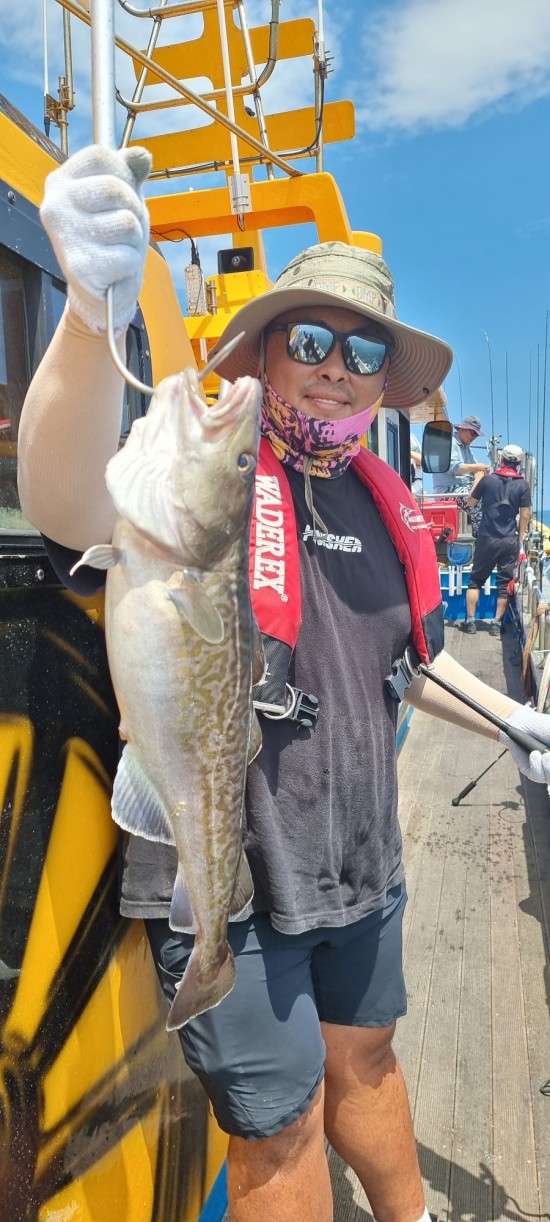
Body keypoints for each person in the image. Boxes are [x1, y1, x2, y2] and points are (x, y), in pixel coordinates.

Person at [17, 146, 550, 1222]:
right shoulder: (203, 467)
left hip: (361, 860)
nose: (336, 366)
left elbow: (408, 662)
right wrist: (84, 318)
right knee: (280, 1128)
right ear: (263, 350)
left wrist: (513, 718)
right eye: (310, 339)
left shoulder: (380, 499)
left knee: (367, 1061)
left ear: (384, 381)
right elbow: (66, 500)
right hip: (232, 875)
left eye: (363, 350)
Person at [463, 443, 531, 637]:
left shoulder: (488, 480)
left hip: (487, 538)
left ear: (501, 460)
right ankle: (496, 623)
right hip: (509, 540)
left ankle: (470, 622)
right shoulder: (523, 485)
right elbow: (525, 514)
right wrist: (521, 535)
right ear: (519, 463)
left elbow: (470, 502)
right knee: (504, 584)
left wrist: (478, 479)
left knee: (475, 581)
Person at [431, 415, 490, 495]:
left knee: (492, 492)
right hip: (447, 490)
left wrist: (483, 470)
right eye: (473, 433)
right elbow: (453, 467)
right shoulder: (448, 443)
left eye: (476, 435)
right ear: (463, 429)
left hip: (464, 488)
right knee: (481, 497)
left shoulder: (467, 448)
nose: (474, 437)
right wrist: (477, 467)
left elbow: (475, 467)